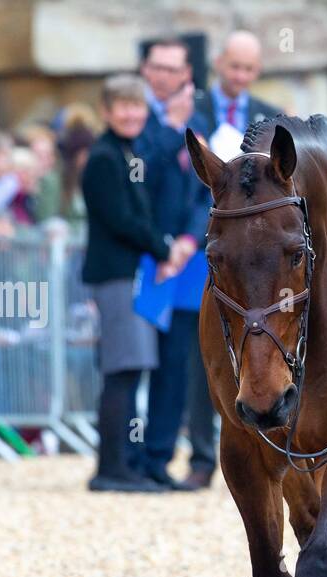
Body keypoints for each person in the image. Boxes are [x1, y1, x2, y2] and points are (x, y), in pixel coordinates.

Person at [80, 74, 193, 493]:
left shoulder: (123, 152)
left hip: (130, 272)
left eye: (136, 106)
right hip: (116, 274)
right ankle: (113, 468)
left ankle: (125, 464)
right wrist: (165, 249)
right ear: (106, 112)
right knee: (123, 372)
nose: (130, 114)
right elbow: (124, 221)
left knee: (130, 370)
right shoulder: (105, 158)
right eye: (122, 107)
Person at [133, 36, 216, 491]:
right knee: (131, 363)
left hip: (184, 264)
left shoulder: (195, 122)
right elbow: (137, 173)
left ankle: (160, 456)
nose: (163, 76)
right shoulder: (135, 115)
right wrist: (170, 127)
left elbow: (204, 191)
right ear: (146, 69)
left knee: (176, 364)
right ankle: (127, 457)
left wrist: (186, 241)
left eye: (173, 69)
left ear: (187, 75)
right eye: (157, 67)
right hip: (140, 255)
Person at [202, 30, 282, 137]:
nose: (241, 76)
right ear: (218, 63)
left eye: (249, 69)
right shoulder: (191, 110)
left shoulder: (272, 117)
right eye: (235, 66)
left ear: (258, 69)